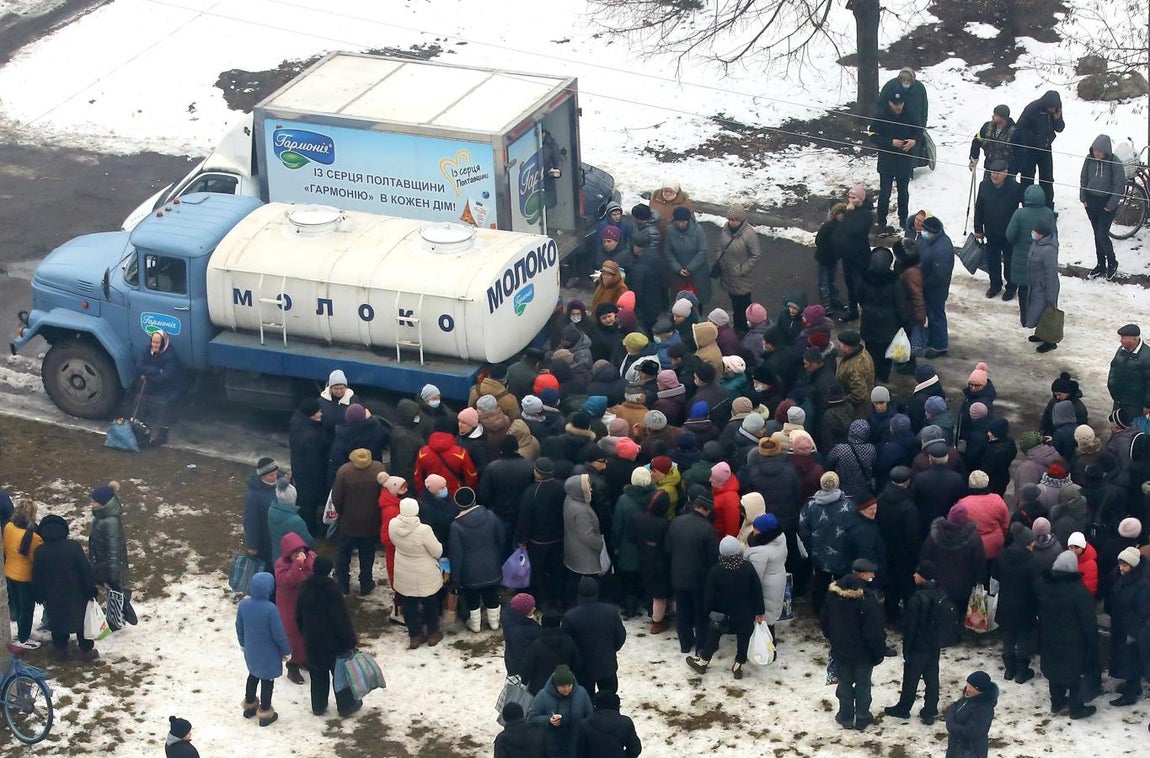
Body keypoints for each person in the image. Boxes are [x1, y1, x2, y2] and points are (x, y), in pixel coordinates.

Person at [685, 535, 765, 679]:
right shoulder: (747, 567)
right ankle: (738, 666)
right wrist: (759, 611)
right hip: (745, 613)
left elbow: (709, 594)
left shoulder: (716, 570)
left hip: (722, 613)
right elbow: (757, 590)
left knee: (713, 638)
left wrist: (708, 610)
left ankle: (703, 662)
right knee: (743, 639)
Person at [820, 570, 887, 731]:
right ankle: (863, 716)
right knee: (863, 685)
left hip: (841, 651)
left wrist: (834, 641)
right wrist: (878, 653)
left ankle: (845, 716)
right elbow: (874, 631)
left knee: (845, 683)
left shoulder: (832, 598)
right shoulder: (867, 601)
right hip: (863, 654)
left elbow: (824, 622)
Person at [295, 557, 362, 717]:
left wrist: (304, 633)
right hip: (334, 644)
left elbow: (298, 615)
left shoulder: (305, 588)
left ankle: (318, 706)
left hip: (312, 641)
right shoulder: (332, 590)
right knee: (340, 675)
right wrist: (349, 642)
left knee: (317, 675)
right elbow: (341, 619)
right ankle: (346, 706)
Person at [1036, 551, 1099, 719]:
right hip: (1074, 641)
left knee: (1054, 670)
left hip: (1050, 636)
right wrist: (1093, 643)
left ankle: (1056, 702)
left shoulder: (1044, 585)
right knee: (1074, 674)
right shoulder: (1079, 592)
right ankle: (1076, 709)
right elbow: (1088, 622)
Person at [884, 561, 947, 724]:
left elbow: (910, 627)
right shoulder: (941, 593)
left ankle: (904, 708)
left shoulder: (917, 598)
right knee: (932, 677)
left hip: (919, 646)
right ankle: (930, 709)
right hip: (934, 644)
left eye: (917, 573)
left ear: (923, 577)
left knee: (911, 679)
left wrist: (907, 649)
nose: (914, 575)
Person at [31, 514, 99, 661]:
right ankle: (86, 650)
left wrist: (39, 594)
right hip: (77, 593)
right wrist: (90, 589)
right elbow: (85, 570)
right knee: (82, 622)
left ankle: (61, 650)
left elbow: (36, 576)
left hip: (53, 595)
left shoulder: (40, 551)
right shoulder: (73, 546)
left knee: (57, 622)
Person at [667, 487, 719, 656]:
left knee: (682, 611)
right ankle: (701, 646)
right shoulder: (707, 529)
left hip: (677, 576)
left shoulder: (676, 522)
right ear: (706, 508)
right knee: (701, 614)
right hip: (700, 579)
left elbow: (667, 548)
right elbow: (713, 557)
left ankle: (685, 643)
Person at [236, 572, 291, 727]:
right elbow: (278, 634)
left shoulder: (244, 605)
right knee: (267, 680)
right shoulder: (270, 609)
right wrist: (286, 650)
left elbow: (239, 626)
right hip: (269, 653)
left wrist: (242, 643)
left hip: (251, 650)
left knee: (253, 675)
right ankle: (265, 712)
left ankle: (250, 706)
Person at [389, 497, 444, 649]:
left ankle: (415, 635)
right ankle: (433, 632)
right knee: (430, 602)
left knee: (409, 603)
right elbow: (437, 551)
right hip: (424, 571)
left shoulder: (393, 524)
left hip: (404, 569)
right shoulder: (423, 530)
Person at [449, 486, 504, 632]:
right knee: (492, 594)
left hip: (469, 571)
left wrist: (455, 578)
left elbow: (456, 554)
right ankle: (494, 623)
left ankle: (475, 624)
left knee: (472, 598)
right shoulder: (491, 516)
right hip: (492, 565)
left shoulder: (456, 526)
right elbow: (501, 538)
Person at [331, 448, 385, 596]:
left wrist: (342, 512)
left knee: (343, 554)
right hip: (371, 521)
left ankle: (343, 584)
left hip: (348, 521)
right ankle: (366, 583)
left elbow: (337, 498)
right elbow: (384, 492)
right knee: (367, 553)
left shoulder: (344, 471)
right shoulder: (378, 468)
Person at [563, 577, 626, 697]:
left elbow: (567, 645)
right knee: (608, 701)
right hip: (607, 664)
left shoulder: (570, 617)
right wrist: (610, 650)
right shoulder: (611, 612)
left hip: (582, 668)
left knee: (586, 702)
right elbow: (620, 636)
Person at [868, 91, 922, 231]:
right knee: (885, 193)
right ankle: (881, 221)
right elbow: (872, 135)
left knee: (903, 192)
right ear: (889, 103)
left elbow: (919, 132)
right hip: (887, 161)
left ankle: (903, 220)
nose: (898, 107)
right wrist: (890, 142)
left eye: (900, 104)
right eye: (895, 104)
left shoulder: (909, 115)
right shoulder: (881, 115)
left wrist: (914, 141)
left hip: (904, 160)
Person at [993, 523, 1040, 683]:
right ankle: (1021, 672)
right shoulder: (1032, 561)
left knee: (1007, 637)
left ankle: (1009, 670)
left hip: (1005, 604)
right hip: (1026, 607)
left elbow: (995, 578)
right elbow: (1036, 586)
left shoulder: (1002, 555)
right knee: (1023, 639)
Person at [87, 482, 136, 630]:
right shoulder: (102, 517)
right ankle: (119, 613)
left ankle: (116, 620)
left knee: (115, 591)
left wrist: (114, 573)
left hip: (109, 566)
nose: (91, 504)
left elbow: (114, 549)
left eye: (94, 502)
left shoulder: (110, 522)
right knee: (112, 591)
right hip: (103, 563)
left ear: (104, 503)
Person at [1106, 547, 1150, 706]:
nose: (1121, 568)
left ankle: (1131, 693)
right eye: (1120, 564)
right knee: (1126, 657)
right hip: (1121, 624)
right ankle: (1133, 685)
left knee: (1131, 660)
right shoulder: (1122, 575)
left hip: (1131, 628)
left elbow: (1143, 611)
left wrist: (1133, 633)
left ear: (1134, 565)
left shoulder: (1143, 584)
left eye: (1125, 565)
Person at [972, 159, 1022, 299]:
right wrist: (978, 228)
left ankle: (1011, 287)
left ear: (1006, 173)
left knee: (1009, 261)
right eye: (993, 173)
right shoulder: (984, 186)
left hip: (1009, 232)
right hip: (991, 231)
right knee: (992, 260)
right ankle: (995, 285)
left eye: (998, 173)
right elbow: (979, 208)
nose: (994, 176)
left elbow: (1023, 208)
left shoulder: (1015, 188)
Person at [1079, 134, 1127, 279]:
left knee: (1102, 234)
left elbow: (1119, 186)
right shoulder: (1089, 159)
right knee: (1097, 234)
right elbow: (1083, 177)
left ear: (1106, 150)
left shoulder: (1114, 162)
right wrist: (1083, 198)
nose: (1097, 153)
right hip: (1091, 202)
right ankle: (1101, 264)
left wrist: (1110, 205)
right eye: (1095, 150)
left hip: (1106, 204)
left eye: (1099, 151)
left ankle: (1112, 262)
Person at [1011, 90, 1064, 208]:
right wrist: (1035, 137)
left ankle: (1048, 206)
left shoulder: (1056, 110)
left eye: (1054, 107)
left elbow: (1060, 128)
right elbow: (1019, 128)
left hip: (1045, 148)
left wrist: (1057, 118)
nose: (1052, 110)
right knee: (1027, 176)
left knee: (1047, 178)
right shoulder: (1032, 108)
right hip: (1030, 149)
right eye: (1051, 107)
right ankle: (1026, 205)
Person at [273, 533, 315, 685]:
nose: (300, 555)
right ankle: (293, 666)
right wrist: (298, 565)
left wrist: (303, 564)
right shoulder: (281, 565)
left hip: (306, 604)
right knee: (294, 637)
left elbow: (313, 573)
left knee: (307, 634)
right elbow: (287, 581)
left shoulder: (311, 557)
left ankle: (304, 660)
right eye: (295, 552)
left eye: (301, 551)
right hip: (290, 607)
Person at [528, 664, 594, 758]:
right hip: (551, 746)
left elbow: (590, 716)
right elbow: (532, 718)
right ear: (555, 685)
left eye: (569, 685)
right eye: (562, 687)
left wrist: (581, 726)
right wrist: (548, 721)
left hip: (577, 744)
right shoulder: (543, 696)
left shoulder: (581, 693)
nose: (566, 689)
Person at [3, 500, 43, 649]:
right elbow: (36, 559)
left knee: (18, 605)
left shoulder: (8, 527)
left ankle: (21, 633)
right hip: (25, 577)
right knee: (26, 608)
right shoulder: (33, 537)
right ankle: (24, 637)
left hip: (10, 571)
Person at [716, 204, 761, 332]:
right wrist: (719, 259)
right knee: (735, 304)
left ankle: (744, 329)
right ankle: (738, 327)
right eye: (730, 219)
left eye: (735, 219)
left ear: (741, 220)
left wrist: (741, 269)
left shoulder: (749, 234)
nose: (732, 222)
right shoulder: (725, 230)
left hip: (741, 277)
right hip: (728, 275)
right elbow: (720, 247)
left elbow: (755, 255)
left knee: (743, 305)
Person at [133, 328, 183, 444]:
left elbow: (166, 376)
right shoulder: (148, 349)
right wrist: (156, 370)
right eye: (153, 342)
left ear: (163, 343)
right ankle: (139, 428)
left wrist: (148, 374)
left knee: (166, 405)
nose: (154, 345)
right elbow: (139, 366)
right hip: (154, 384)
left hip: (169, 387)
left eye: (157, 343)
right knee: (139, 399)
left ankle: (162, 434)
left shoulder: (170, 356)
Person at [834, 186, 875, 323]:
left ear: (861, 199)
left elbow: (856, 231)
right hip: (848, 256)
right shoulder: (849, 212)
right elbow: (842, 230)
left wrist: (849, 214)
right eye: (849, 198)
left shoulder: (867, 214)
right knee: (850, 285)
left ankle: (868, 311)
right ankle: (853, 311)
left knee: (860, 287)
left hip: (860, 256)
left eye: (854, 198)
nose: (850, 201)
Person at [288, 397, 327, 535]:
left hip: (299, 469)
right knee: (309, 505)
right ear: (310, 413)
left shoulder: (297, 421)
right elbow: (314, 463)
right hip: (309, 477)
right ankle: (310, 531)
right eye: (318, 412)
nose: (321, 414)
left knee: (303, 502)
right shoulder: (312, 437)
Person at [917, 216, 954, 359]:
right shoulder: (932, 240)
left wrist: (923, 285)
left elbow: (939, 275)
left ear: (931, 231)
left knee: (936, 316)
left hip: (935, 290)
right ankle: (933, 340)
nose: (922, 232)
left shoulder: (942, 248)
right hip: (928, 286)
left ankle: (940, 345)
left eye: (924, 230)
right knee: (932, 316)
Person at [1022, 219, 1060, 353]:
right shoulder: (1037, 243)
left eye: (1036, 231)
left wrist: (1051, 295)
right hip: (1036, 286)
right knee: (1037, 312)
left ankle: (1050, 341)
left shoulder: (1049, 250)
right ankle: (1040, 334)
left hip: (1045, 287)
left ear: (1042, 233)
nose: (1033, 233)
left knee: (1047, 314)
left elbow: (1051, 274)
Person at [663, 206, 711, 308]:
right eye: (678, 222)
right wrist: (677, 268)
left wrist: (690, 268)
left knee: (697, 300)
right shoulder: (670, 231)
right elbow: (668, 251)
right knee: (678, 300)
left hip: (697, 272)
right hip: (678, 273)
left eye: (683, 222)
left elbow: (703, 251)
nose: (680, 224)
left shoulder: (698, 230)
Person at [944, 671, 998, 758]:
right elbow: (954, 706)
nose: (967, 689)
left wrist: (951, 725)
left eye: (971, 687)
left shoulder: (984, 709)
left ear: (979, 689)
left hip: (970, 751)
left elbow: (971, 732)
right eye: (967, 685)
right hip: (957, 746)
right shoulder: (970, 697)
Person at [575, 691, 643, 757]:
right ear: (616, 705)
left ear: (596, 705)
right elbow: (635, 748)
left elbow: (580, 752)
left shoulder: (585, 724)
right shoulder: (625, 723)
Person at [243, 457, 279, 569]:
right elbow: (251, 522)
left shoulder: (277, 486)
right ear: (262, 476)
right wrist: (253, 546)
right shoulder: (253, 496)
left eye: (276, 474)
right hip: (265, 540)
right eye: (271, 475)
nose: (275, 478)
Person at [268, 479, 312, 565]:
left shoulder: (271, 510)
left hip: (276, 557)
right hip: (290, 561)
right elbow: (308, 542)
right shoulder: (296, 521)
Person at [1108, 324, 1150, 413]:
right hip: (1119, 399)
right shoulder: (1121, 350)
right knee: (1117, 424)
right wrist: (1111, 385)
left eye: (1124, 337)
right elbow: (1113, 367)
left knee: (1134, 426)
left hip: (1136, 404)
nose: (1121, 340)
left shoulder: (1147, 356)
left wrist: (1147, 404)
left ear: (1134, 339)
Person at [503, 593, 542, 678]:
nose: (534, 608)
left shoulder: (509, 616)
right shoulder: (528, 630)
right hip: (522, 668)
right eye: (532, 607)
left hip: (511, 659)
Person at [968, 104, 1015, 177]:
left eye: (996, 115)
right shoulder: (987, 127)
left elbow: (1020, 155)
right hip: (989, 170)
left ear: (1003, 118)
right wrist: (973, 160)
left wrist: (1012, 172)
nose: (992, 116)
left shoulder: (1015, 133)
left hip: (1006, 173)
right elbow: (976, 142)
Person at [878, 67, 928, 134]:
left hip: (914, 125)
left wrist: (922, 126)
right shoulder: (891, 86)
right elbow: (881, 104)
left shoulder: (919, 88)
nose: (906, 82)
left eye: (908, 80)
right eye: (903, 80)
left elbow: (924, 108)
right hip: (893, 125)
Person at [318, 368, 355, 437]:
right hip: (326, 438)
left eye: (341, 388)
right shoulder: (321, 401)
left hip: (346, 438)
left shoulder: (353, 400)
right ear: (331, 388)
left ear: (346, 387)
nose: (339, 391)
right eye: (336, 388)